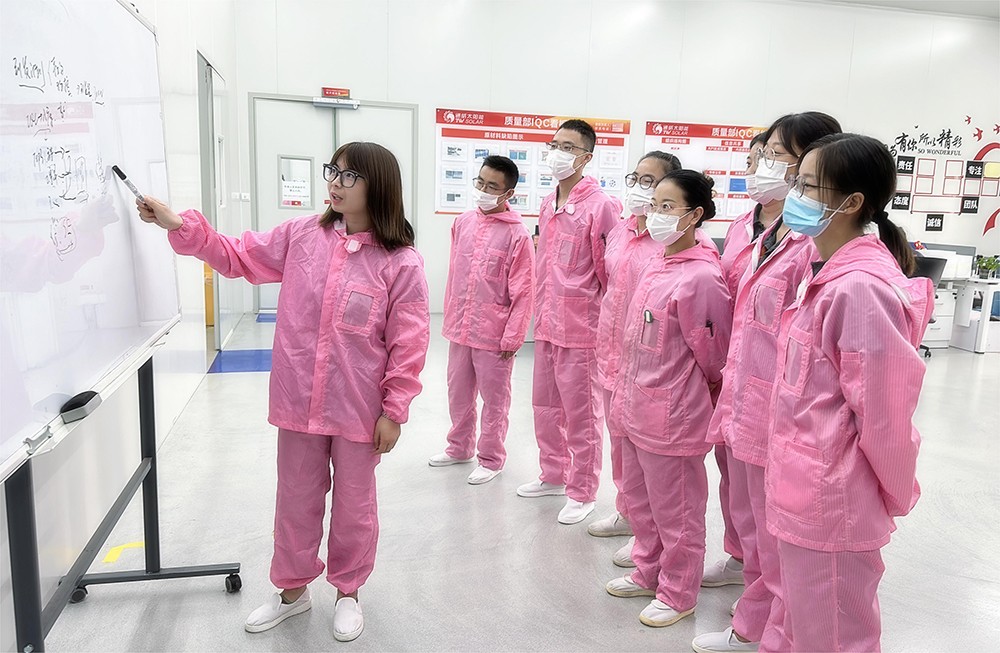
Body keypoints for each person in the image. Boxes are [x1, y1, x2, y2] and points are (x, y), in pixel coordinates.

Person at [135, 142, 430, 643]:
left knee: (355, 505)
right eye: (332, 171)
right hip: (299, 399)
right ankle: (293, 593)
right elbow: (236, 256)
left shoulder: (400, 262)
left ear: (378, 185)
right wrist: (178, 224)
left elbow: (410, 340)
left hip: (360, 408)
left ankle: (349, 592)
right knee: (295, 499)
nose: (334, 183)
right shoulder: (303, 235)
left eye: (349, 175)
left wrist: (394, 410)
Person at [765, 133, 932, 652]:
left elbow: (885, 415)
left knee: (835, 637)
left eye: (808, 186)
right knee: (805, 625)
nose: (795, 195)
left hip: (834, 499)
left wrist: (895, 492)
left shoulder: (859, 289)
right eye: (796, 183)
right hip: (804, 488)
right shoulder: (823, 272)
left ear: (853, 201)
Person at [694, 112, 842, 653]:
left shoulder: (814, 246)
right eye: (764, 153)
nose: (765, 163)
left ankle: (760, 628)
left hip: (780, 407)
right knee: (750, 518)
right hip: (744, 393)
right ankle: (757, 615)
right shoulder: (768, 234)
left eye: (779, 155)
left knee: (773, 534)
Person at [605, 170, 732, 628]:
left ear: (694, 215)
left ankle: (679, 592)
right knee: (641, 502)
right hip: (634, 405)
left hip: (673, 414)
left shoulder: (703, 277)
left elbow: (715, 355)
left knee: (677, 511)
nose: (655, 213)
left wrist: (692, 395)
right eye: (654, 204)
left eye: (666, 206)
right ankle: (648, 569)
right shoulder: (658, 263)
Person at [517, 119, 622, 525]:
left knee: (582, 414)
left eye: (568, 147)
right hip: (547, 322)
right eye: (555, 144)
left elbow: (610, 273)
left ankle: (582, 490)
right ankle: (553, 473)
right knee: (545, 406)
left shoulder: (601, 206)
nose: (557, 153)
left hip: (582, 328)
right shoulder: (549, 202)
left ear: (586, 156)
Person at [588, 152, 680, 552]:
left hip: (650, 363)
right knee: (621, 445)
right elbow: (606, 282)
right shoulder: (622, 231)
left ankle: (651, 534)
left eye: (650, 182)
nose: (640, 188)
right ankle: (629, 514)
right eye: (636, 178)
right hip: (612, 355)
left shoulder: (670, 241)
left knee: (648, 456)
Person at [429, 155, 534, 485]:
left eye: (492, 186)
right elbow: (455, 275)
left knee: (495, 400)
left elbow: (524, 290)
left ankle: (491, 458)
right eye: (480, 182)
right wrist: (449, 318)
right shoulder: (463, 223)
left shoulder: (517, 235)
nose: (483, 190)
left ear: (508, 193)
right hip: (460, 327)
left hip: (494, 333)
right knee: (457, 392)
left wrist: (513, 336)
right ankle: (459, 447)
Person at [701, 131, 766, 590]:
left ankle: (763, 581)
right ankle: (739, 556)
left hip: (767, 377)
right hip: (731, 369)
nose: (755, 168)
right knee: (732, 476)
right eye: (753, 159)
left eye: (769, 158)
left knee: (762, 488)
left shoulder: (806, 238)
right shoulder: (743, 225)